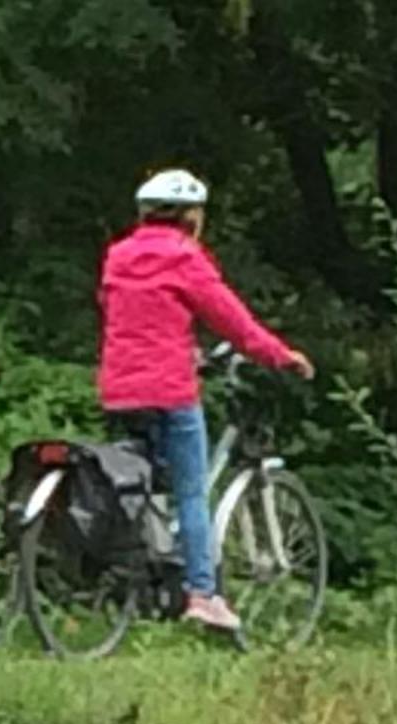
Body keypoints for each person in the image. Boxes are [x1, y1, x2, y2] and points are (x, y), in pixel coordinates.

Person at [98, 168, 315, 632]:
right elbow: (231, 319)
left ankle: (143, 576)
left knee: (145, 484)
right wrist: (280, 355)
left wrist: (184, 348)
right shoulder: (184, 256)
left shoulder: (118, 255)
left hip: (118, 389)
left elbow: (131, 315)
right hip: (169, 391)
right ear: (191, 217)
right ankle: (202, 593)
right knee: (191, 492)